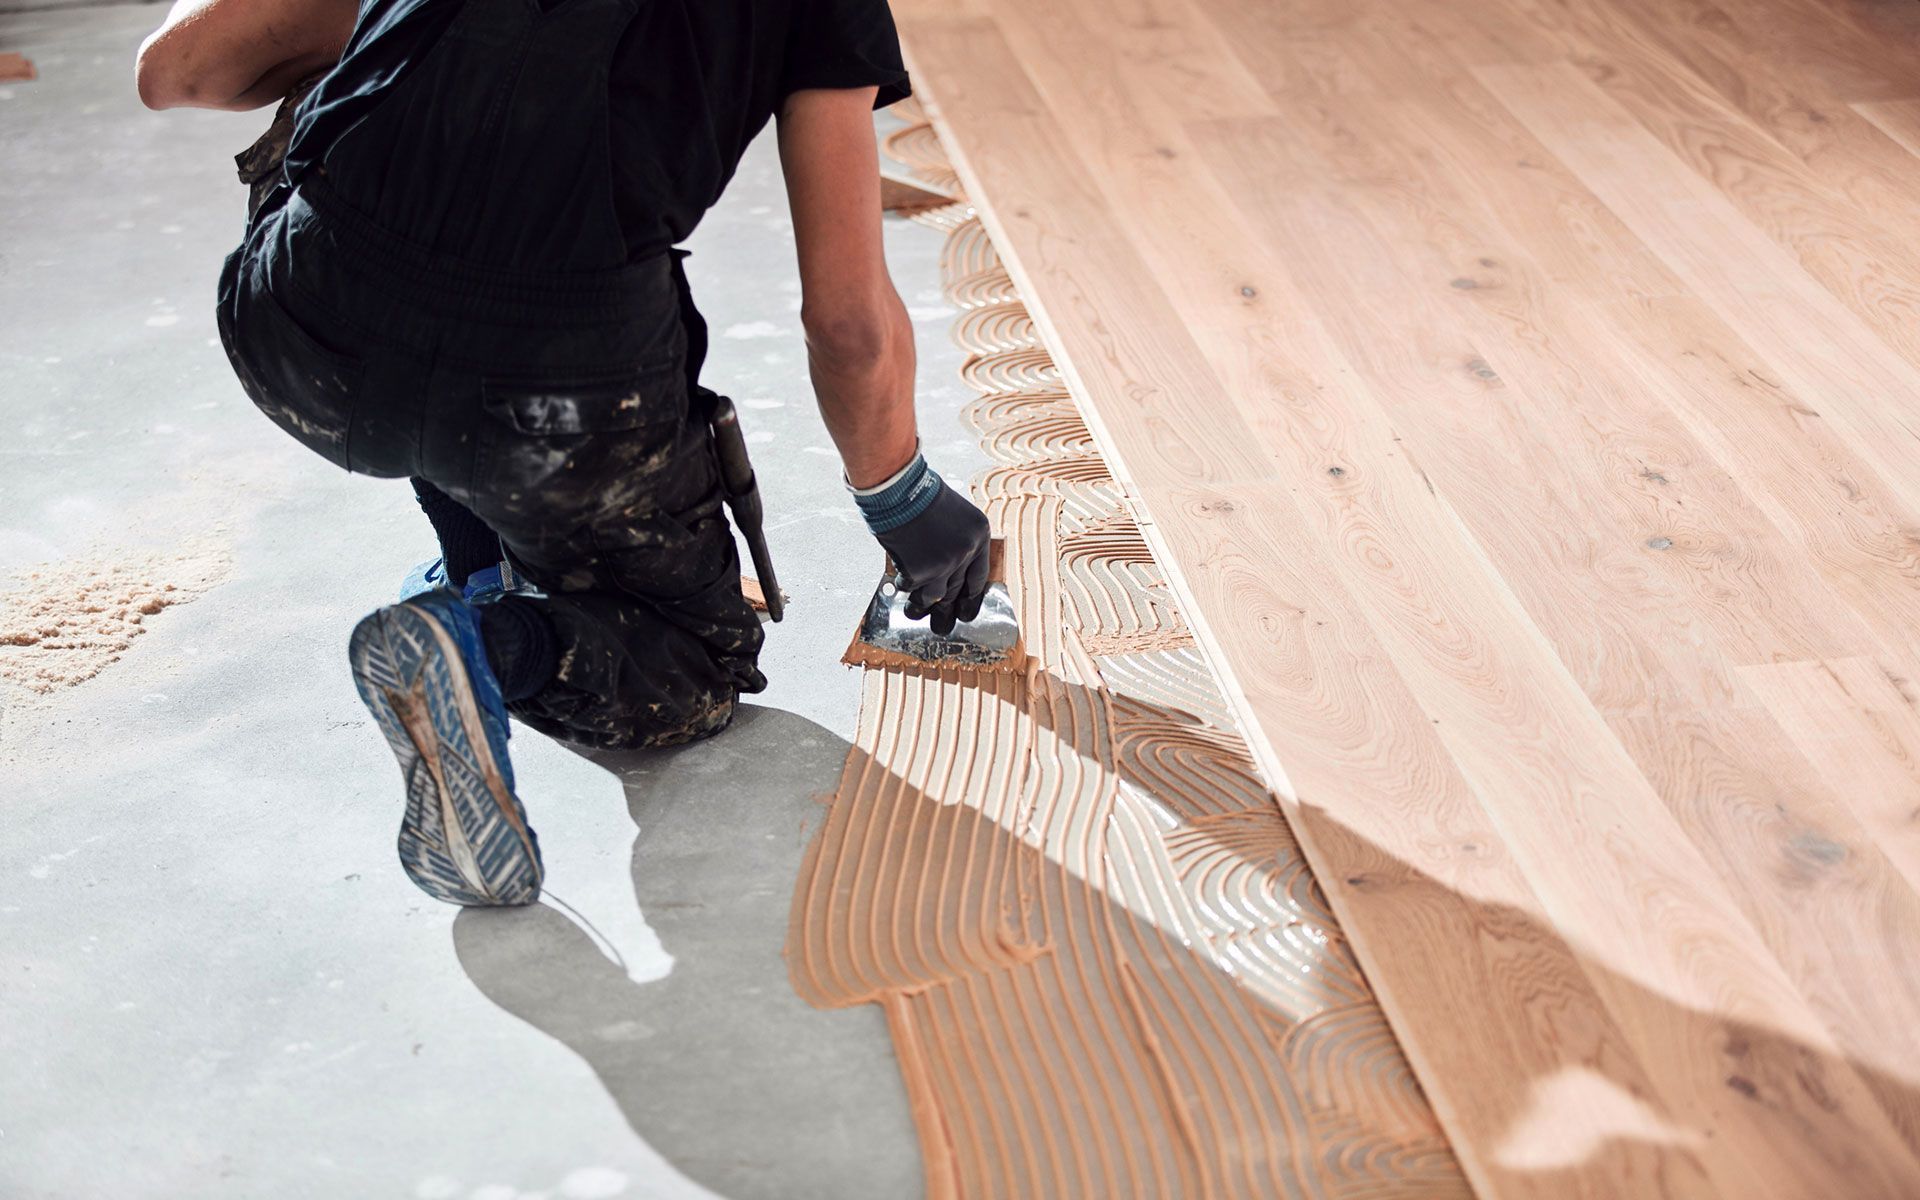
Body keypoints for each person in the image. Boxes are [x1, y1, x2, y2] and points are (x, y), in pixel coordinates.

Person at [135, 0, 993, 907]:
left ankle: (480, 566)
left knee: (400, 132)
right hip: (549, 396)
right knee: (689, 666)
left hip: (303, 341)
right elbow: (848, 323)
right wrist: (898, 489)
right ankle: (487, 648)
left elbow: (175, 74)